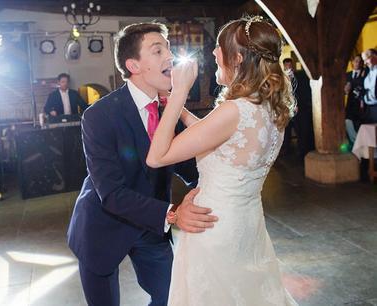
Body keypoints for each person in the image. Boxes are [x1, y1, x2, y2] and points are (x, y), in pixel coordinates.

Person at [147, 16, 298, 305]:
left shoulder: (234, 111)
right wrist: (175, 108)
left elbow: (157, 157)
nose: (214, 53)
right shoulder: (269, 108)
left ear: (238, 58)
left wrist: (179, 93)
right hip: (247, 226)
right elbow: (211, 135)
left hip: (214, 230)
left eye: (219, 48)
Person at [67, 22, 218, 306]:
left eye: (169, 49)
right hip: (102, 226)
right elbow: (111, 194)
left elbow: (190, 169)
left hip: (150, 226)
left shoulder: (169, 110)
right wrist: (174, 214)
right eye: (157, 50)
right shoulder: (98, 116)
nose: (170, 57)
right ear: (133, 66)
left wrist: (231, 174)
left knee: (172, 298)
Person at [344, 55, 367, 142]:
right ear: (352, 62)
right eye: (356, 61)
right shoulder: (347, 75)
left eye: (360, 61)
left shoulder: (364, 74)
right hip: (350, 104)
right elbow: (344, 91)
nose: (358, 63)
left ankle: (361, 144)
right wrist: (345, 90)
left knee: (360, 125)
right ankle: (356, 142)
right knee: (347, 121)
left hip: (362, 104)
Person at [361, 49, 377, 123]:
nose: (365, 63)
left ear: (374, 56)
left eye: (366, 59)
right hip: (368, 109)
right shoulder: (366, 70)